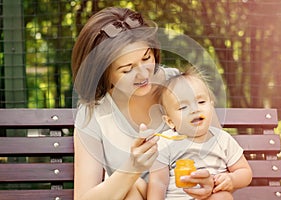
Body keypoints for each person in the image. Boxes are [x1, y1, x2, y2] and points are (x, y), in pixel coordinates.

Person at [72, 7, 216, 200]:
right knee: (130, 190)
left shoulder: (180, 85)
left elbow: (218, 151)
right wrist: (133, 167)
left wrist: (210, 182)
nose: (143, 74)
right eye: (127, 69)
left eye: (146, 58)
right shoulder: (92, 114)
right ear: (104, 73)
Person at [147, 67, 252, 200]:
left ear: (211, 106)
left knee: (223, 197)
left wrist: (232, 179)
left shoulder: (222, 139)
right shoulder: (165, 143)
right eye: (183, 107)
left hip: (211, 197)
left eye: (201, 102)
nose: (195, 109)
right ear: (170, 121)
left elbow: (245, 172)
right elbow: (158, 182)